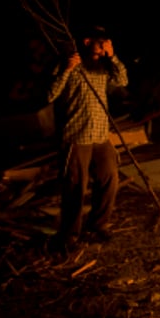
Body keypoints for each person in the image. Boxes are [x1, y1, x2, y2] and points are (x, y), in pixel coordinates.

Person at [47, 26, 128, 252]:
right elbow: (49, 94)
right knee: (75, 186)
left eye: (107, 42)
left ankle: (98, 225)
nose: (104, 46)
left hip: (101, 135)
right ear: (86, 41)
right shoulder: (68, 64)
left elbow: (122, 81)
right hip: (76, 135)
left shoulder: (103, 68)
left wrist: (113, 56)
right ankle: (70, 234)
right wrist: (65, 70)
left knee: (109, 178)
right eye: (100, 42)